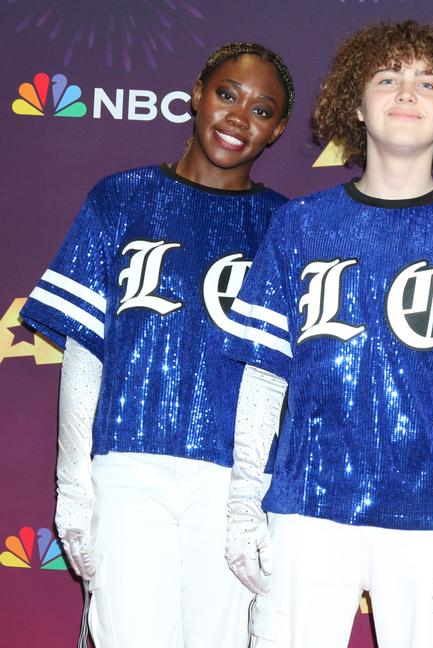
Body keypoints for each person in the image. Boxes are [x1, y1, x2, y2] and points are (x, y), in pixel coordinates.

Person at [219, 20, 433, 648]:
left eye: (427, 82)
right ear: (356, 107)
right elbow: (263, 375)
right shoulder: (299, 226)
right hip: (306, 507)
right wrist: (244, 500)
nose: (406, 92)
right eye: (388, 78)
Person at [20, 42, 294, 648]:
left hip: (234, 478)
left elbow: (281, 377)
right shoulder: (121, 199)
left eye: (262, 109)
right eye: (227, 94)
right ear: (196, 92)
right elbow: (85, 352)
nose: (237, 117)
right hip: (126, 465)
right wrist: (74, 485)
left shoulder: (288, 227)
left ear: (276, 130)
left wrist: (253, 493)